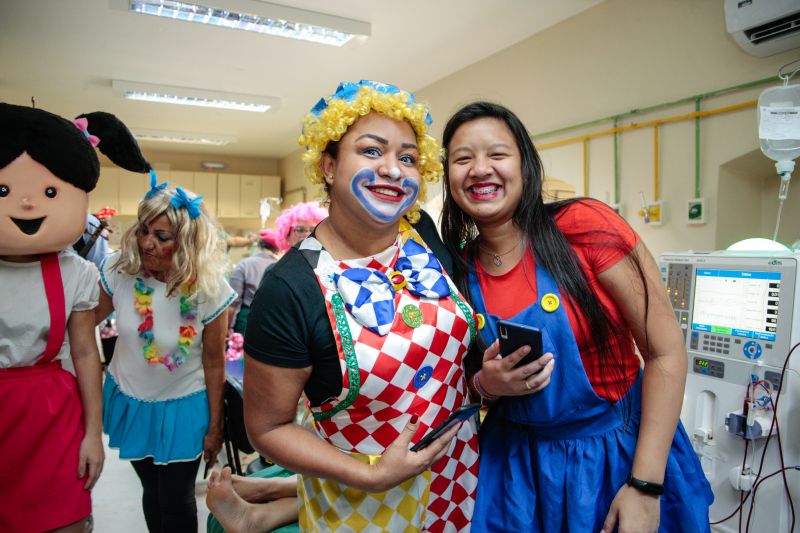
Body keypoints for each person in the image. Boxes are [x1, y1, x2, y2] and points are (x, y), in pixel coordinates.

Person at [439, 101, 713, 532]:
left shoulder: (584, 226)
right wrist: (486, 384)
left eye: (497, 154)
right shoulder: (459, 269)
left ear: (525, 165)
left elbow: (665, 353)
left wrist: (644, 485)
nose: (479, 169)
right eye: (462, 159)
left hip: (616, 457)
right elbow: (463, 385)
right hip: (515, 470)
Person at [234, 80, 482, 533]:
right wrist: (369, 475)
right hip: (359, 506)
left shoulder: (421, 230)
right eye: (371, 151)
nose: (392, 169)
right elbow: (267, 430)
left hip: (459, 478)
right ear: (328, 166)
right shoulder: (289, 287)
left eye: (407, 157)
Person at [0, 104, 146, 531]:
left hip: (53, 417)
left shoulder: (74, 272)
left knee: (64, 521)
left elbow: (86, 353)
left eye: (49, 192)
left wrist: (92, 436)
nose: (26, 202)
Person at [95, 174, 236, 532]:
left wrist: (215, 426)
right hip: (130, 399)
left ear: (187, 243)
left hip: (185, 405)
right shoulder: (119, 271)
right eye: (143, 230)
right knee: (151, 489)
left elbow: (214, 360)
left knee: (176, 498)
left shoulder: (209, 289)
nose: (146, 243)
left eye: (162, 237)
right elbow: (81, 327)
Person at [228, 229, 281, 334]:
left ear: (259, 245)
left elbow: (233, 301)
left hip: (246, 322)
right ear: (277, 249)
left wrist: (227, 327)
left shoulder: (245, 265)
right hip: (274, 324)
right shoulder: (282, 266)